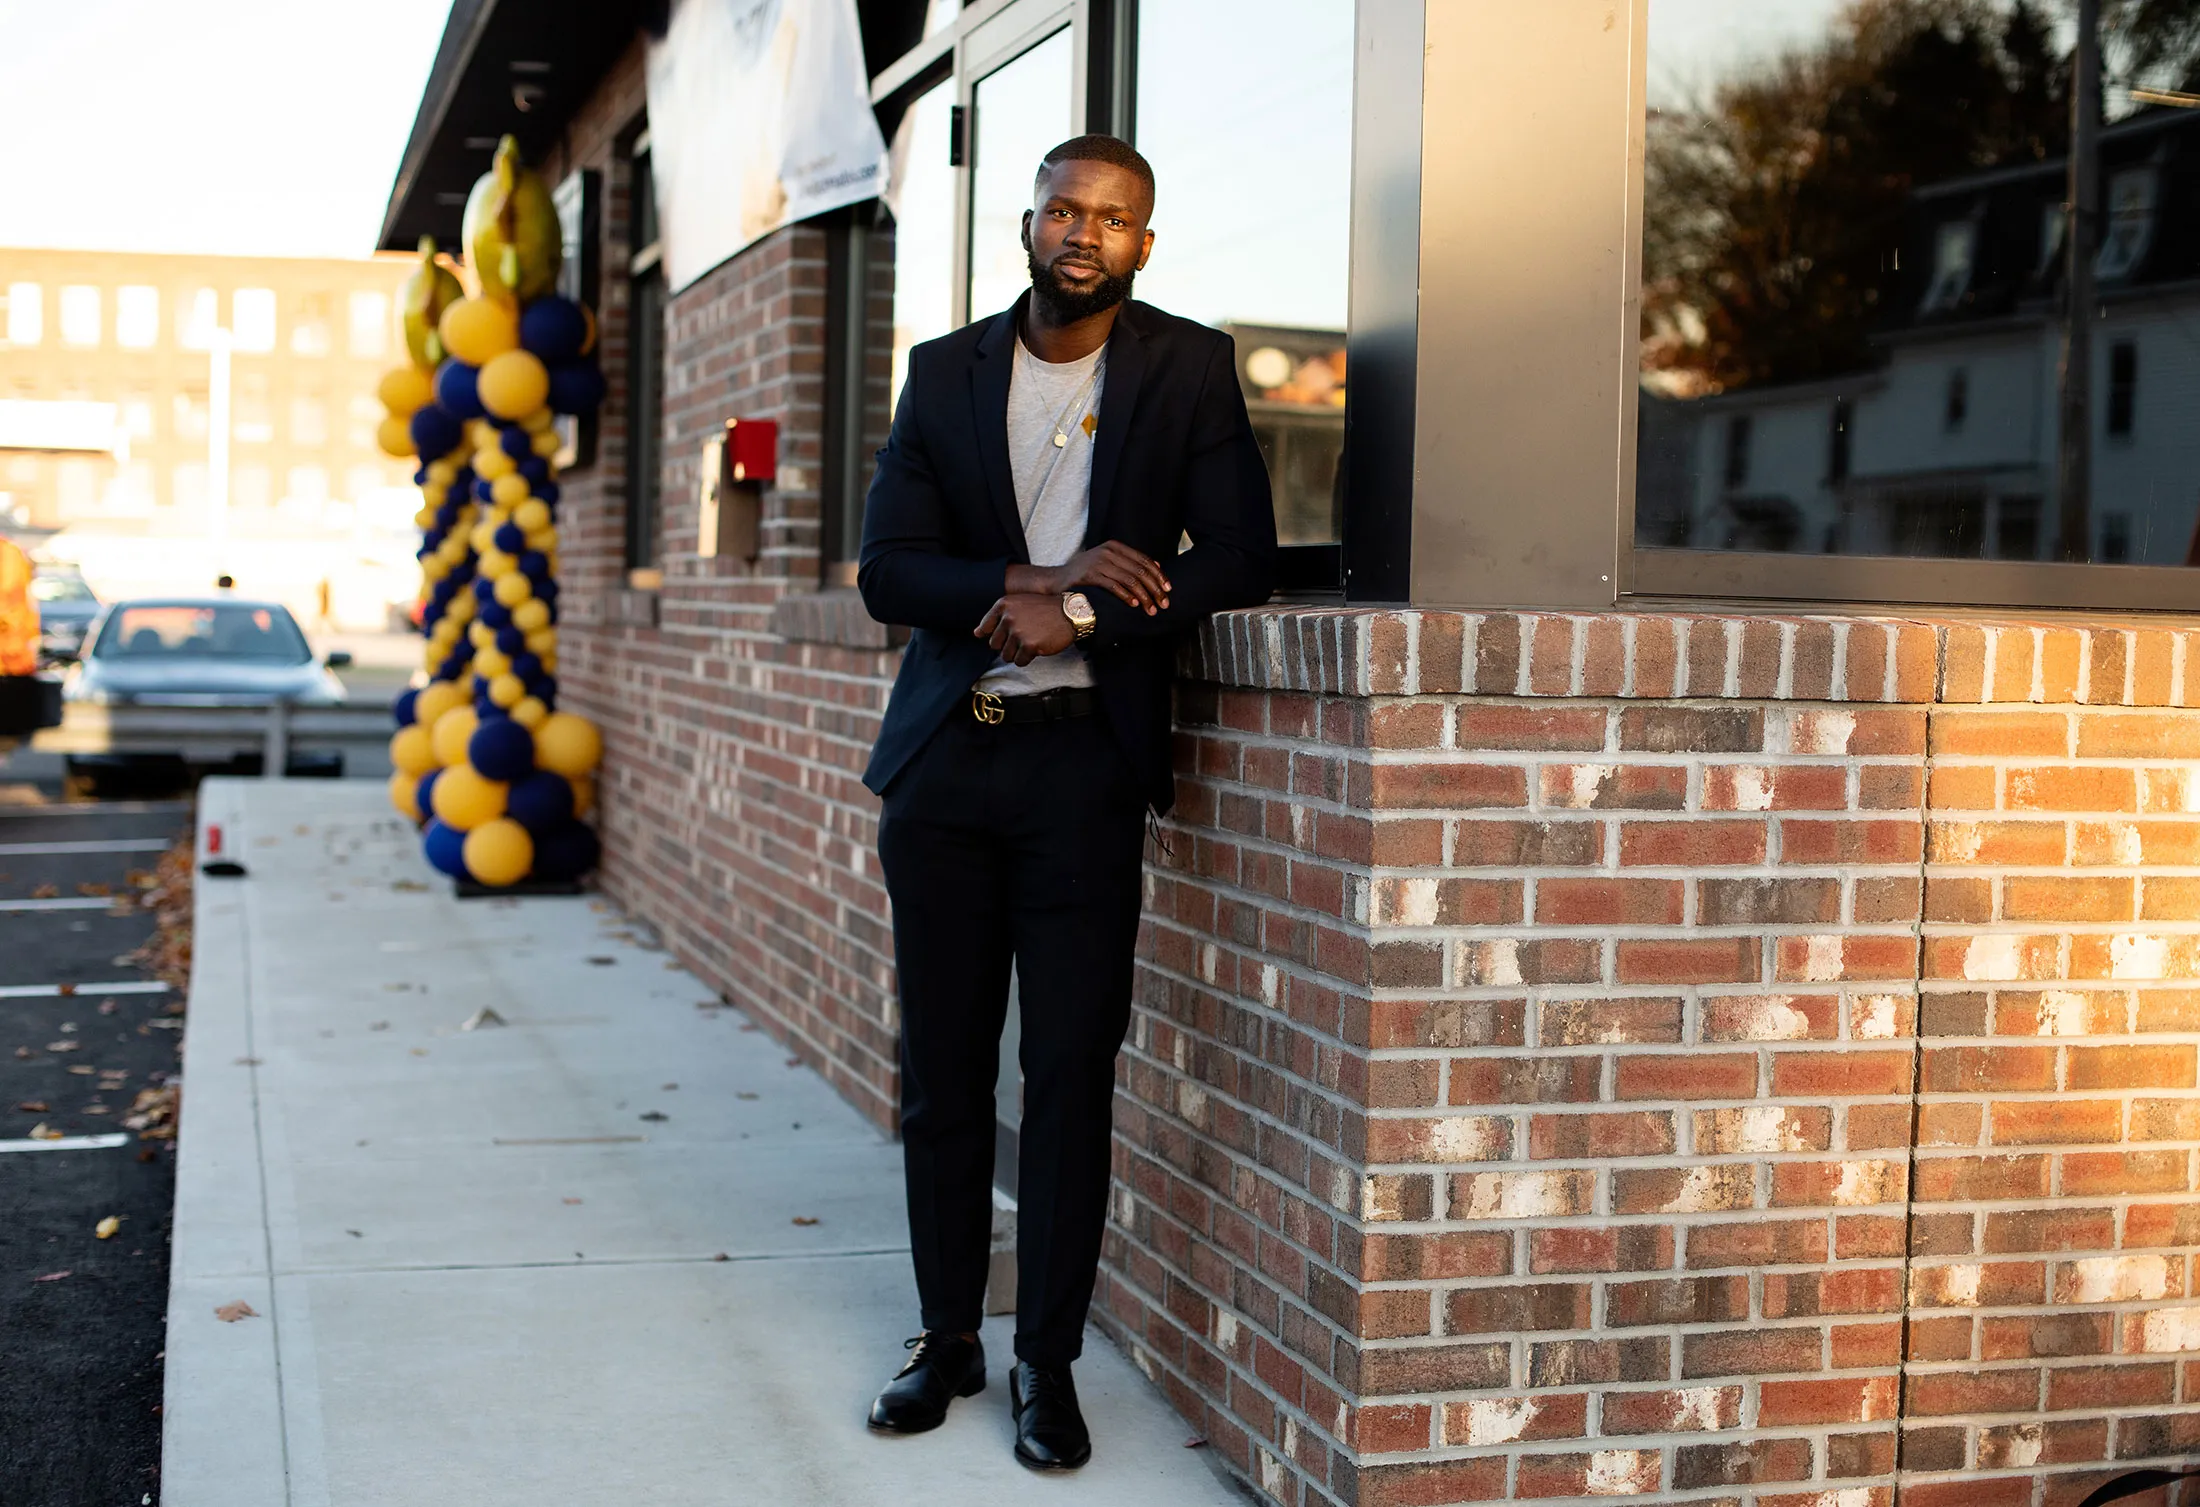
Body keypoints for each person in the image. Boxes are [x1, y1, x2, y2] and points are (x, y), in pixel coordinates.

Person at [856, 134, 1276, 1471]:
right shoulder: (943, 371)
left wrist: (1087, 608)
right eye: (1064, 209)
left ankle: (1046, 1357)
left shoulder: (1186, 367)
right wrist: (1034, 581)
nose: (1084, 231)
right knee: (942, 1076)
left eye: (1114, 216)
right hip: (945, 768)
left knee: (1071, 1075)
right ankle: (942, 1336)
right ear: (1028, 225)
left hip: (1081, 775)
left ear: (1143, 243)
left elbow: (1243, 556)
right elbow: (887, 571)